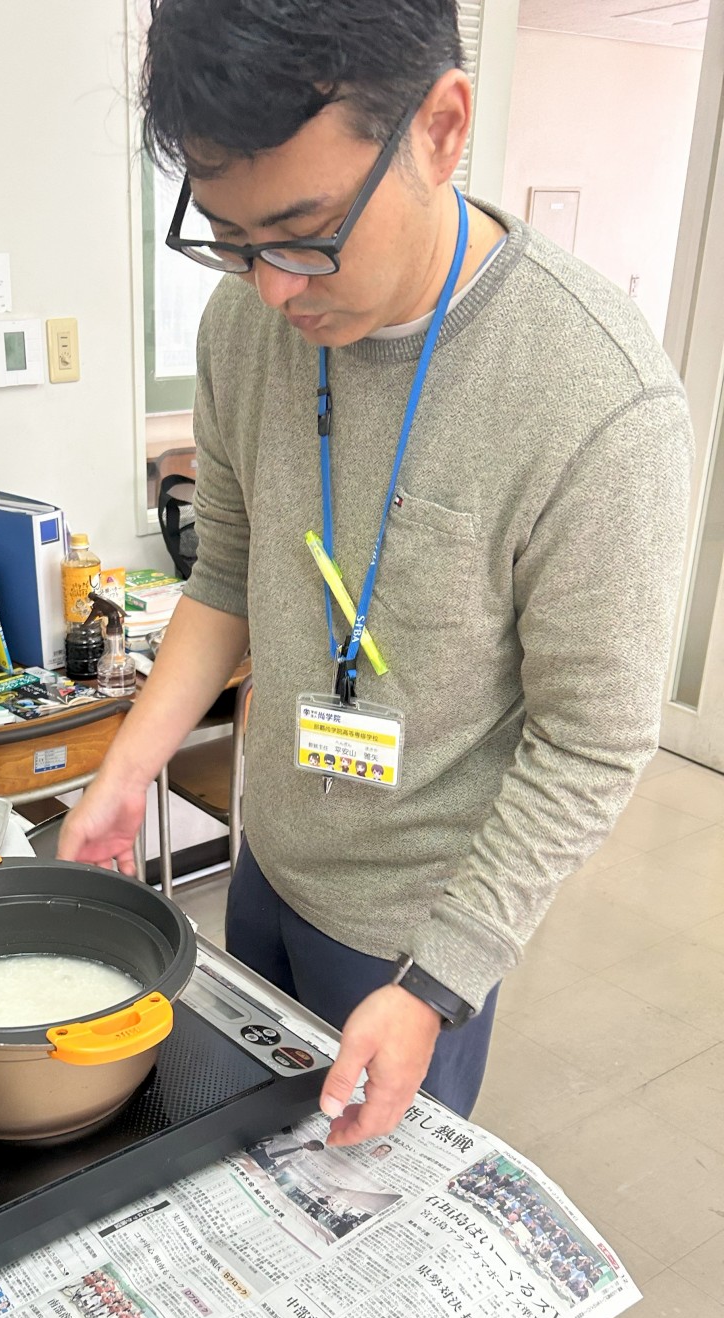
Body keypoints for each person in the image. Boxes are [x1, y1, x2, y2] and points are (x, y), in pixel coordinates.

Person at [58, 0, 693, 1146]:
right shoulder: (243, 325)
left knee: (362, 1225)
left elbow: (592, 738)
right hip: (271, 862)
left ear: (442, 127)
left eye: (303, 232)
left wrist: (441, 982)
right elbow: (233, 573)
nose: (273, 291)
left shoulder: (596, 399)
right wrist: (130, 764)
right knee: (239, 1158)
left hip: (419, 930)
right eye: (231, 236)